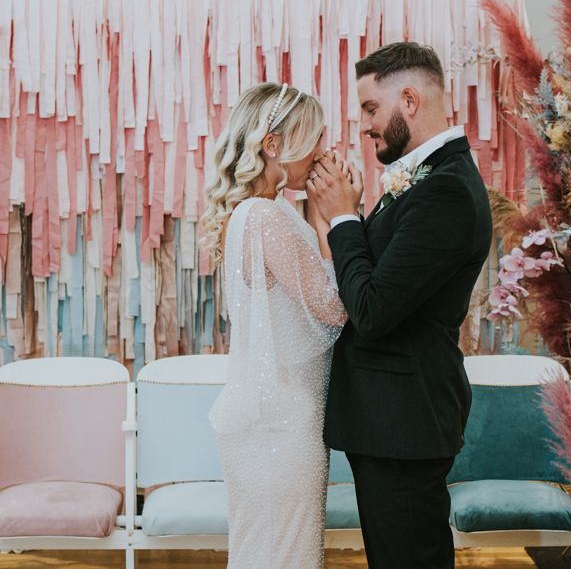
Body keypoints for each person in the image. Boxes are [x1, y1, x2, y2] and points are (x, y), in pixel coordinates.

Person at [307, 42, 493, 569]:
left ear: (409, 99)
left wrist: (346, 219)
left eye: (370, 108)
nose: (365, 125)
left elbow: (371, 308)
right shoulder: (426, 180)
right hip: (392, 419)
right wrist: (342, 219)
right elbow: (379, 278)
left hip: (405, 421)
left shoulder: (447, 191)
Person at [201, 82, 357, 568]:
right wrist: (342, 215)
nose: (323, 152)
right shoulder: (266, 217)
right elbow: (335, 308)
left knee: (266, 551)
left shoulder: (261, 213)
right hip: (282, 426)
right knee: (283, 554)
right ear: (273, 145)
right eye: (314, 137)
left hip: (272, 419)